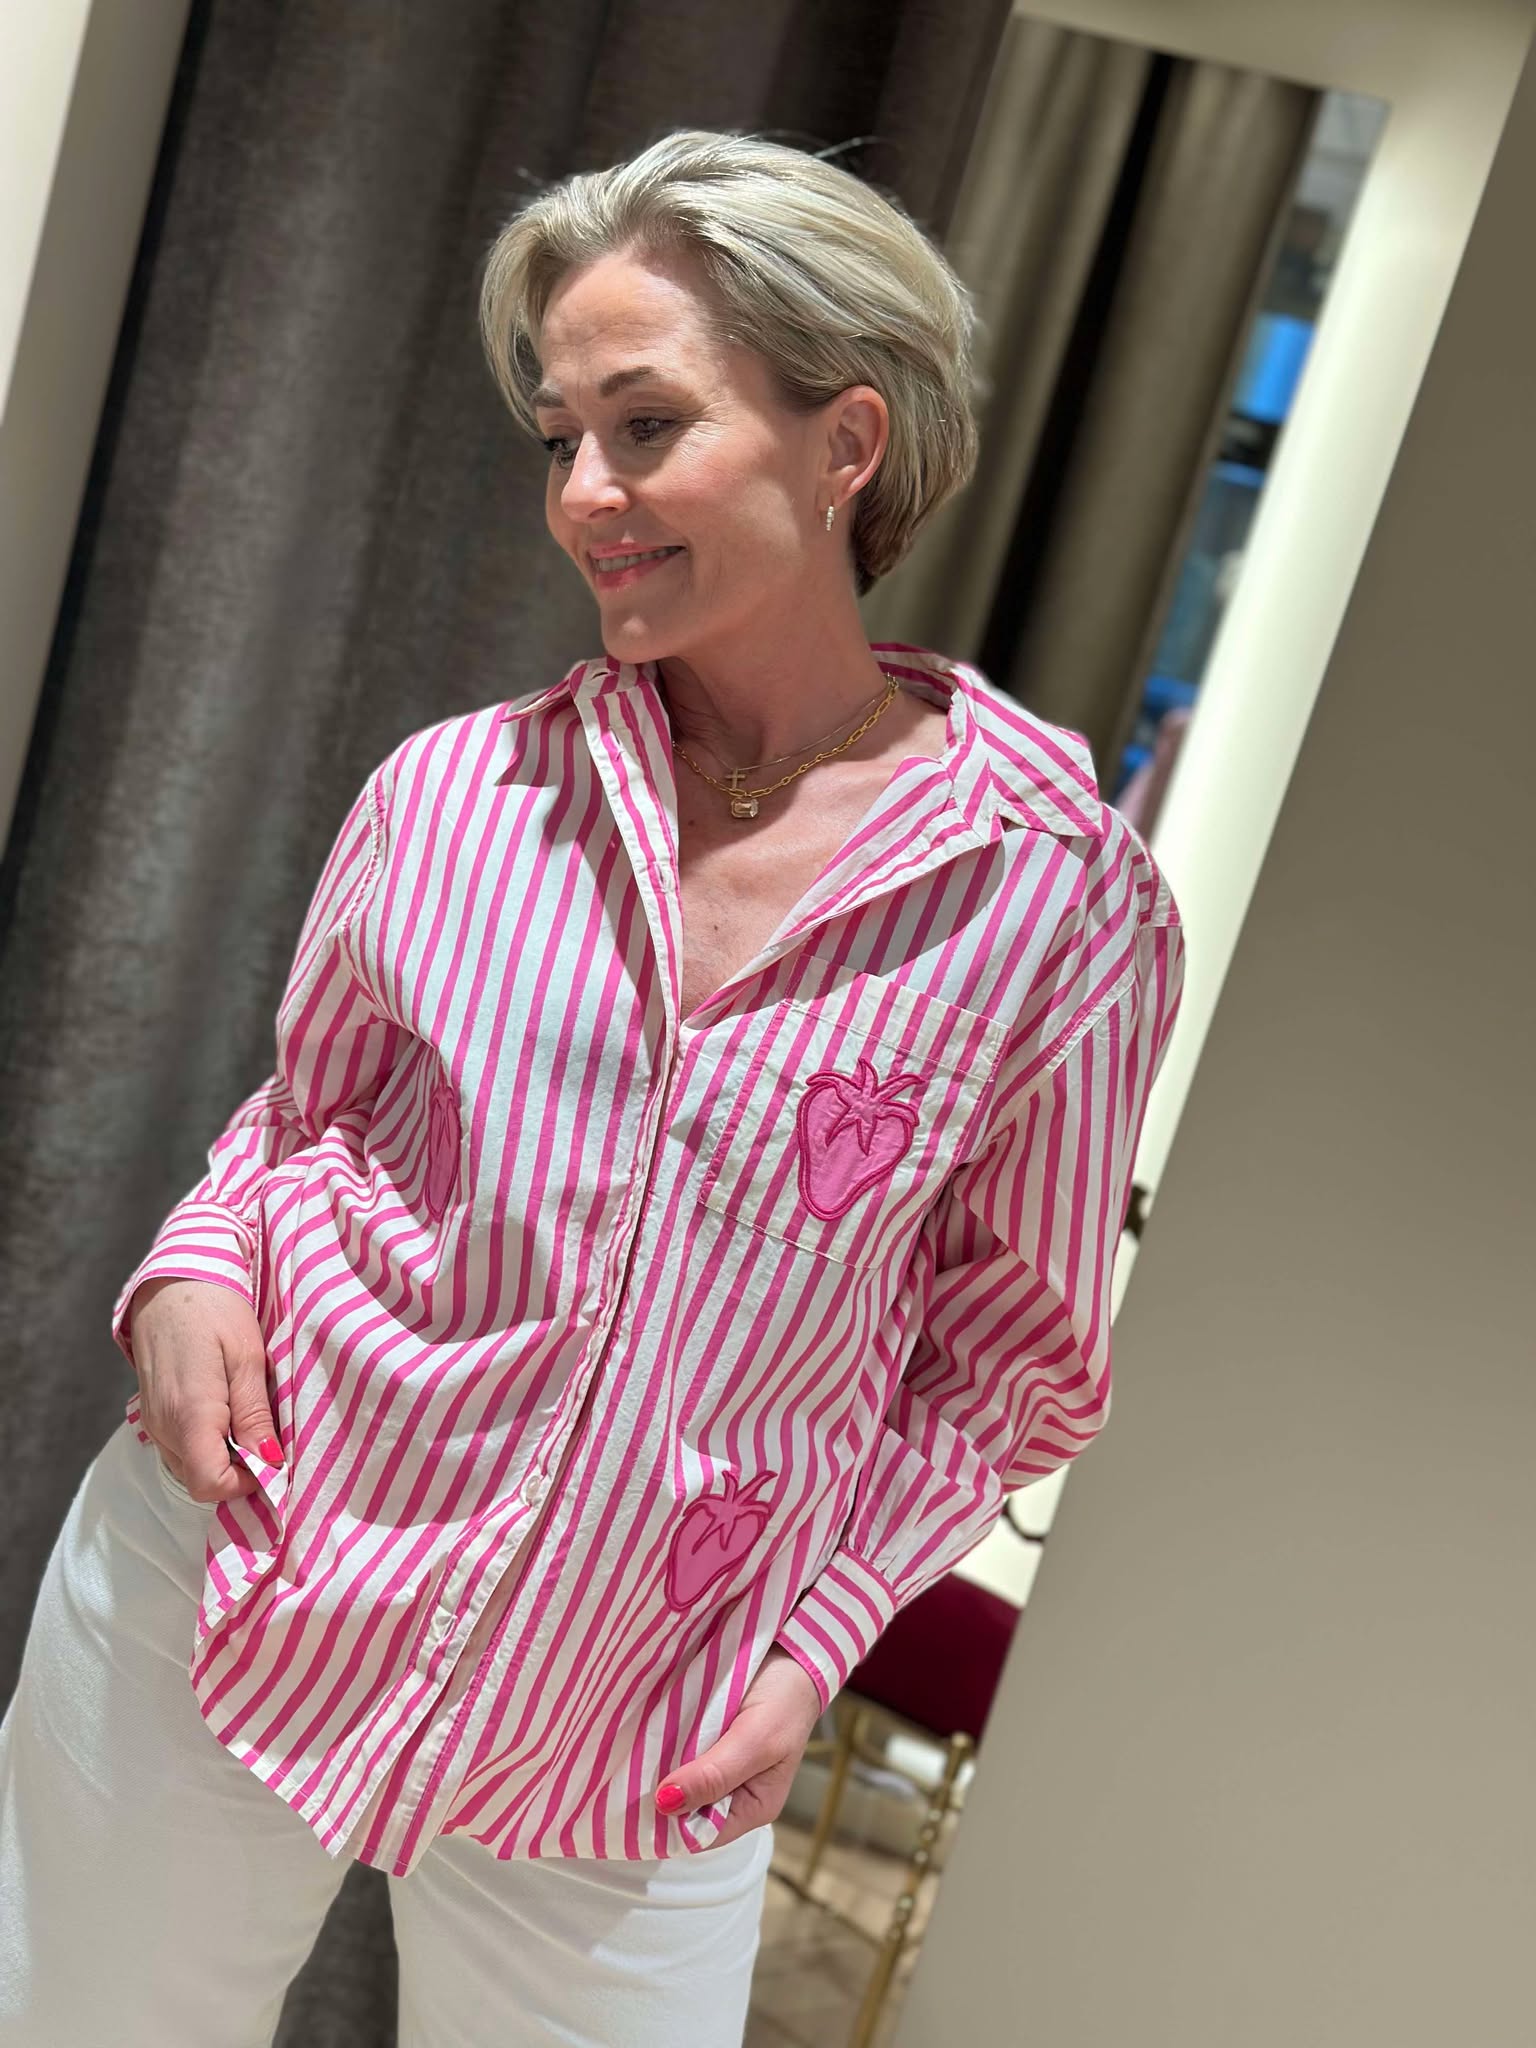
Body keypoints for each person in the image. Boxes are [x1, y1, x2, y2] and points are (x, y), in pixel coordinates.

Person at [0, 127, 1186, 2046]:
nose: (586, 494)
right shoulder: (455, 794)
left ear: (848, 440)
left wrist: (817, 1640)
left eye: (646, 424)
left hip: (653, 1705)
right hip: (242, 1573)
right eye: (560, 438)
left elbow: (1015, 1358)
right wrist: (197, 1266)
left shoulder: (1057, 897)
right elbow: (301, 1125)